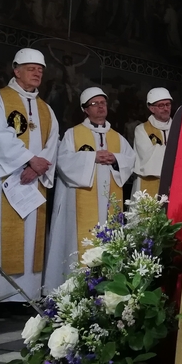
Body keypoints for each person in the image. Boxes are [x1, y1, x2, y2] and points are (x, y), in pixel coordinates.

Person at [0, 48, 59, 304]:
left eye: (40, 70)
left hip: (33, 182)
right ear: (16, 70)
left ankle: (25, 296)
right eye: (31, 68)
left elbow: (53, 142)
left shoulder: (46, 109)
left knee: (31, 240)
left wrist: (36, 167)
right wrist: (28, 160)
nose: (37, 73)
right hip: (6, 181)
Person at [44, 87, 134, 292]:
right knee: (79, 243)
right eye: (95, 104)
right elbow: (63, 161)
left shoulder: (117, 137)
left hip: (108, 201)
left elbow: (130, 160)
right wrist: (92, 157)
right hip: (80, 203)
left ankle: (108, 287)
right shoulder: (73, 134)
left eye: (103, 103)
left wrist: (116, 159)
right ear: (85, 109)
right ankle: (75, 289)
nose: (101, 107)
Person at [132, 87, 173, 195]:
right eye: (161, 105)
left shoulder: (179, 127)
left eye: (168, 104)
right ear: (151, 108)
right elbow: (147, 156)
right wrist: (174, 151)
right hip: (147, 184)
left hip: (174, 183)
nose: (165, 108)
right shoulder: (141, 129)